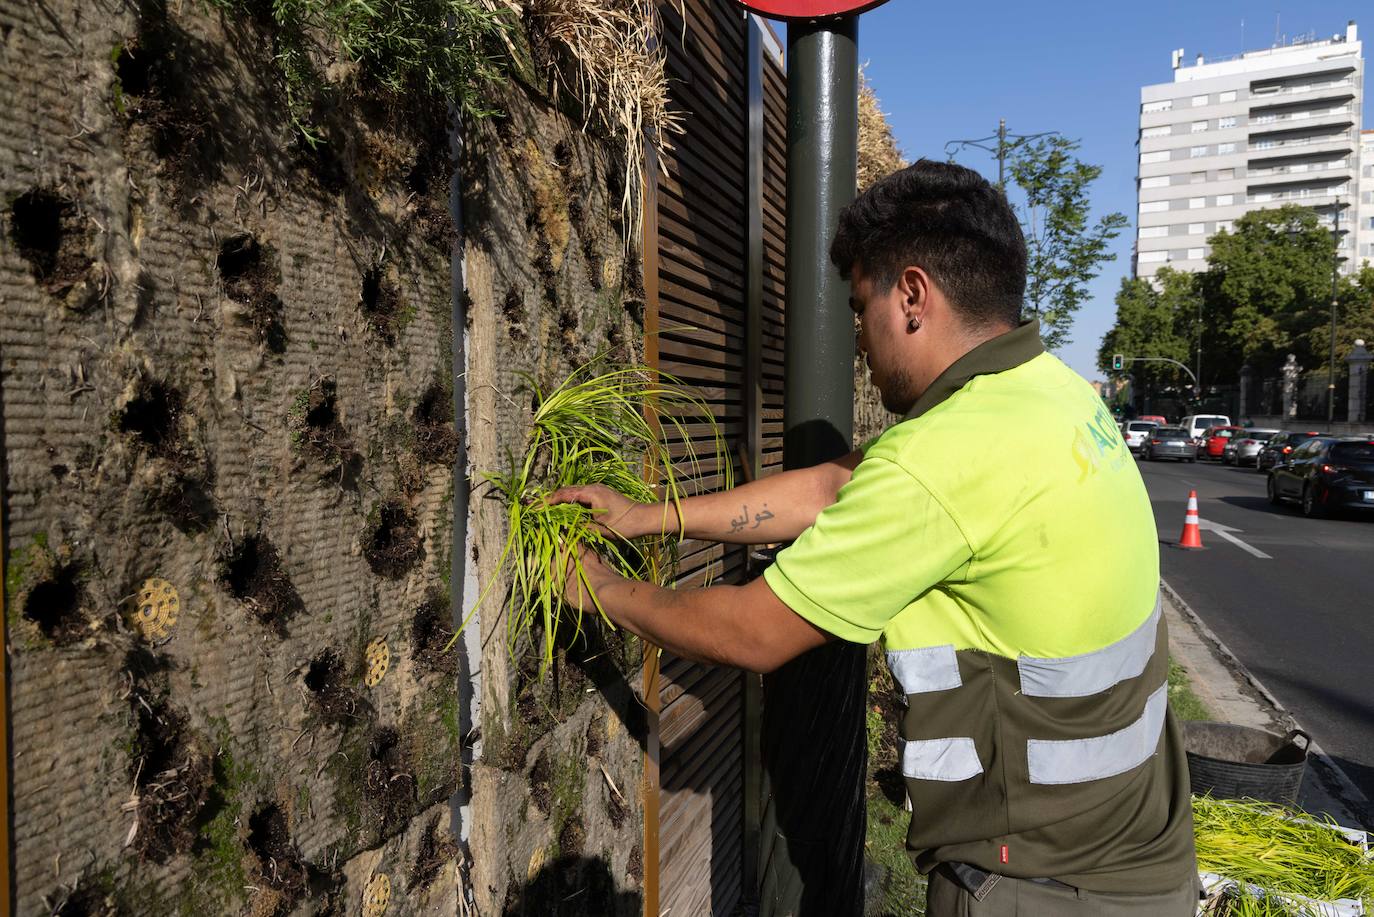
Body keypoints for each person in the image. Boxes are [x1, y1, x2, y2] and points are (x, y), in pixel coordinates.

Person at [550, 160, 1197, 915]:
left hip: (1037, 887)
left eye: (862, 306)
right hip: (1140, 853)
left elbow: (755, 631)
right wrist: (652, 515)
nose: (858, 339)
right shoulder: (1049, 394)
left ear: (913, 296)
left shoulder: (947, 460)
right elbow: (833, 488)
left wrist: (599, 586)